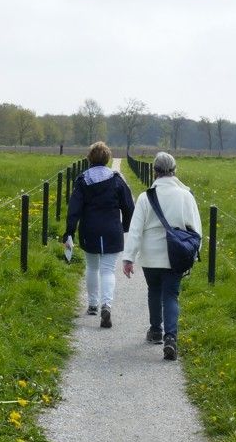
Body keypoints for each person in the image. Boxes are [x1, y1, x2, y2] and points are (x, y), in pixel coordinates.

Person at [121, 152, 202, 361]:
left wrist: (128, 258)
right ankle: (171, 338)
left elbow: (136, 229)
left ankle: (155, 331)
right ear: (175, 170)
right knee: (171, 295)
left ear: (154, 171)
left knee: (154, 290)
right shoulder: (186, 196)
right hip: (176, 255)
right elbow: (196, 229)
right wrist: (193, 254)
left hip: (150, 256)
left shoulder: (145, 197)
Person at [64, 141, 135, 328]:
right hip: (112, 229)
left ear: (89, 158)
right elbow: (129, 207)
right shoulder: (117, 180)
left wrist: (69, 232)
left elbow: (74, 210)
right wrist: (125, 227)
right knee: (108, 270)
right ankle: (107, 305)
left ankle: (93, 305)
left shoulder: (82, 181)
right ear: (107, 158)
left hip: (90, 230)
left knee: (92, 267)